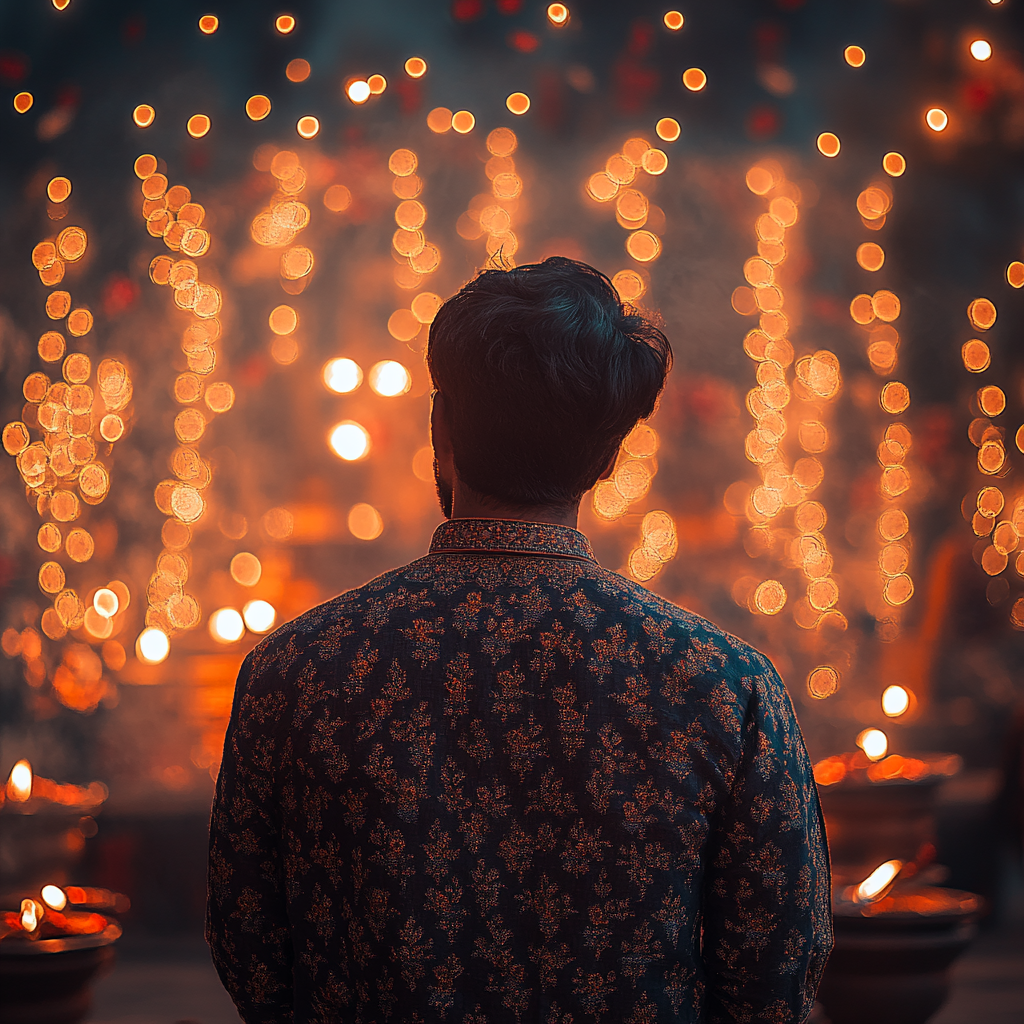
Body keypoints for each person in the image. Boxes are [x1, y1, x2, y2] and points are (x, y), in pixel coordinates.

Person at [207, 257, 832, 1023]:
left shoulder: (295, 674)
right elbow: (775, 976)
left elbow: (254, 957)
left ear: (439, 430)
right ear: (607, 457)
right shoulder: (725, 686)